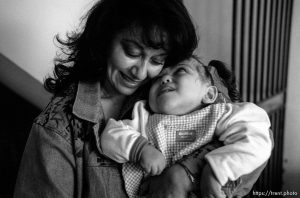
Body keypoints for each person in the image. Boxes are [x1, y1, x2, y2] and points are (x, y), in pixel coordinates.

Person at [13, 0, 200, 197]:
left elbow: (227, 120)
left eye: (156, 60)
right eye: (132, 52)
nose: (141, 72)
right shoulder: (57, 129)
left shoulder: (167, 92)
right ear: (105, 39)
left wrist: (184, 171)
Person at [100, 57, 272, 198]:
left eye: (180, 71)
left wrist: (217, 170)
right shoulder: (143, 116)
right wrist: (139, 149)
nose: (165, 79)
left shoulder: (219, 114)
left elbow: (256, 135)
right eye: (158, 78)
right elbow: (110, 135)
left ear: (209, 94)